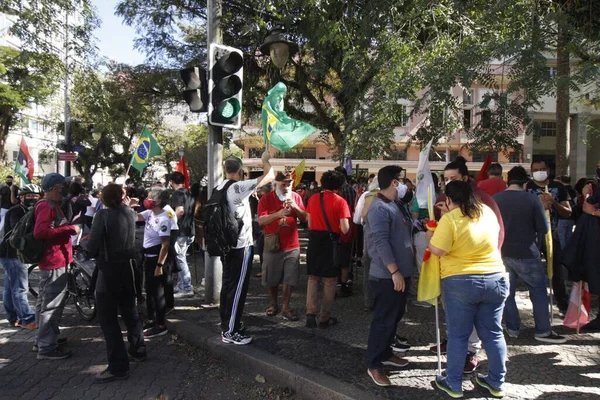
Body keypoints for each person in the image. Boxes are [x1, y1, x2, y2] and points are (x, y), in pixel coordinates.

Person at [428, 180, 508, 398]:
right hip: (496, 278)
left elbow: (438, 249)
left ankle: (453, 383)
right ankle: (496, 382)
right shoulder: (487, 212)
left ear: (449, 200)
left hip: (461, 282)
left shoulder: (450, 219)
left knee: (458, 335)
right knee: (493, 333)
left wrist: (430, 235)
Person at [494, 167, 567, 344]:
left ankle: (512, 327)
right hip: (526, 250)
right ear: (525, 182)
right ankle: (542, 329)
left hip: (502, 251)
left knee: (507, 293)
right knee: (538, 290)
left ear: (507, 180)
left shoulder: (496, 199)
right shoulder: (531, 199)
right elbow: (544, 228)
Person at [84, 183, 146, 383]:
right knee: (130, 311)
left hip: (110, 270)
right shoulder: (129, 212)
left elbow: (92, 246)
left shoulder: (102, 216)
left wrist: (86, 247)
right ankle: (138, 348)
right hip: (130, 268)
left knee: (108, 319)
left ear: (103, 198)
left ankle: (118, 366)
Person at [218, 152, 274, 345]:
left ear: (226, 170)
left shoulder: (219, 187)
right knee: (238, 289)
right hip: (241, 244)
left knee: (228, 287)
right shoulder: (238, 187)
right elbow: (270, 176)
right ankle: (231, 331)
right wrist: (265, 160)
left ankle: (227, 324)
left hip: (226, 245)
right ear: (240, 171)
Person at [365, 166, 413, 387]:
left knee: (393, 318)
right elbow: (381, 243)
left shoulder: (395, 205)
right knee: (383, 320)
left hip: (400, 273)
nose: (404, 185)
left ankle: (385, 353)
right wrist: (394, 271)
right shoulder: (379, 208)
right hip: (386, 276)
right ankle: (374, 364)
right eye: (401, 181)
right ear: (394, 183)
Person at [34, 173, 80, 360]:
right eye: (62, 187)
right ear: (54, 188)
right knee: (52, 305)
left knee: (44, 301)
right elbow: (40, 232)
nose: (64, 190)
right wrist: (69, 229)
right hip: (54, 261)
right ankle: (46, 346)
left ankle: (44, 339)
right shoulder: (46, 206)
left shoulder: (48, 205)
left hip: (53, 260)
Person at [258, 172, 307, 321]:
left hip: (292, 244)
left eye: (288, 184)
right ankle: (273, 303)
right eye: (283, 184)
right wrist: (278, 214)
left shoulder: (296, 197)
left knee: (290, 278)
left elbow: (304, 218)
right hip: (273, 244)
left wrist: (296, 207)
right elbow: (261, 221)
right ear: (275, 185)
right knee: (271, 278)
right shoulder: (266, 199)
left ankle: (286, 306)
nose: (286, 187)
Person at [305, 170, 351, 329]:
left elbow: (310, 224)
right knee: (330, 281)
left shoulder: (312, 199)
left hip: (314, 241)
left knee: (313, 278)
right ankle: (324, 318)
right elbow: (345, 229)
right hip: (331, 243)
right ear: (339, 185)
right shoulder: (341, 201)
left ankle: (310, 313)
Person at [525, 159, 571, 315]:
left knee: (557, 272)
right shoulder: (527, 188)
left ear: (548, 171)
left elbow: (568, 211)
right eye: (536, 169)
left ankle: (563, 305)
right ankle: (538, 307)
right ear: (531, 173)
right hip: (533, 238)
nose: (539, 172)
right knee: (534, 273)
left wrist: (553, 203)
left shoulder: (558, 187)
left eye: (542, 169)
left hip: (554, 235)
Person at [0, 184, 42, 330]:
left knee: (10, 287)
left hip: (10, 253)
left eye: (35, 195)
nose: (33, 198)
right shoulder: (17, 211)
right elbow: (17, 231)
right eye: (29, 195)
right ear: (21, 197)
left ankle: (13, 318)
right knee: (20, 288)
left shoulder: (28, 210)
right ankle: (27, 319)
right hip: (12, 254)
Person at [138, 187, 177, 338]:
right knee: (149, 291)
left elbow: (165, 245)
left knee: (158, 293)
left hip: (157, 258)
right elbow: (134, 216)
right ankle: (151, 318)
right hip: (147, 257)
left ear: (158, 201)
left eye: (149, 198)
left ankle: (160, 324)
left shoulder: (164, 219)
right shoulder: (149, 213)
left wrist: (160, 265)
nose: (146, 200)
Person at [353, 177, 379, 311]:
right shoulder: (393, 196)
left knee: (368, 268)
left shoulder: (366, 196)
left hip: (369, 235)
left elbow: (357, 219)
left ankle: (368, 301)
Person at [169, 172, 196, 298]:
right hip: (190, 229)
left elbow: (179, 211)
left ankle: (186, 287)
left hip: (181, 230)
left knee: (180, 258)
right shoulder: (188, 193)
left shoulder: (177, 194)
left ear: (172, 182)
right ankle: (181, 284)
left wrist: (170, 221)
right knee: (181, 257)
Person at [556, 175, 579, 249]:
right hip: (572, 217)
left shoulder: (560, 190)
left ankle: (563, 254)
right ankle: (569, 253)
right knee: (569, 236)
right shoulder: (574, 191)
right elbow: (575, 203)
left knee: (561, 237)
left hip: (561, 216)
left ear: (561, 180)